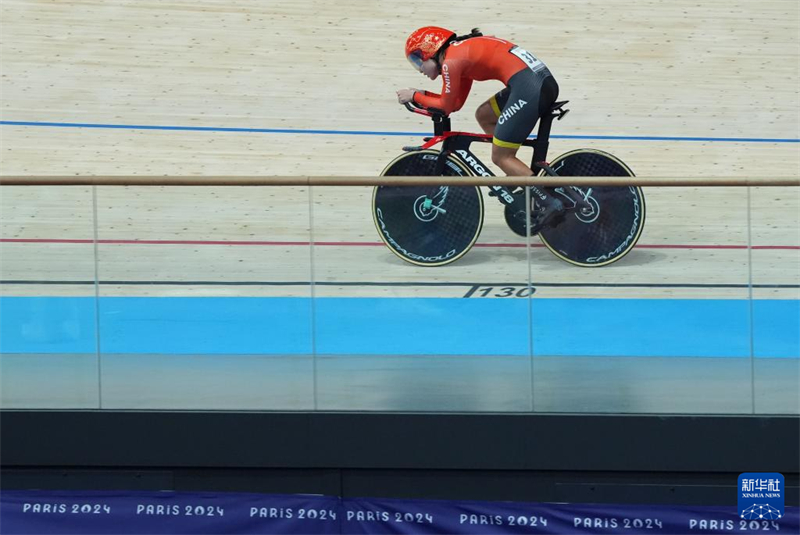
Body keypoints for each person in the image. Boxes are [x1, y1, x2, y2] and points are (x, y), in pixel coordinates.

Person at [397, 26, 564, 230]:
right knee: (485, 115)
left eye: (417, 60)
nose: (419, 69)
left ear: (430, 50)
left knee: (501, 157)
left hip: (530, 87)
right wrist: (424, 94)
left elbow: (446, 107)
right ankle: (516, 171)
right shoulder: (458, 53)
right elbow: (455, 103)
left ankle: (549, 202)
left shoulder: (451, 62)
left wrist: (414, 96)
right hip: (534, 83)